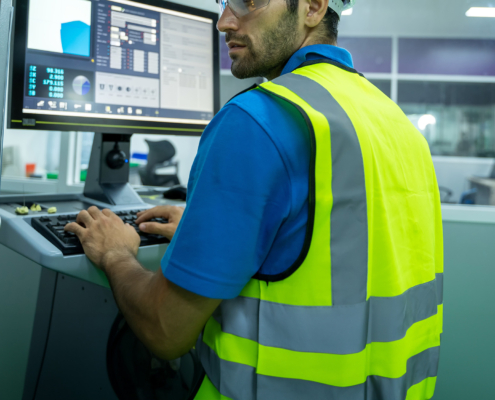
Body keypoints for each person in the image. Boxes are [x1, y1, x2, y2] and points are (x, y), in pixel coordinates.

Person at [66, 0, 444, 399]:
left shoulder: (258, 118)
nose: (224, 22)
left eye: (248, 2)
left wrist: (115, 255)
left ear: (314, 7)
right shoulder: (394, 121)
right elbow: (346, 247)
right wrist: (218, 231)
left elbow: (166, 331)